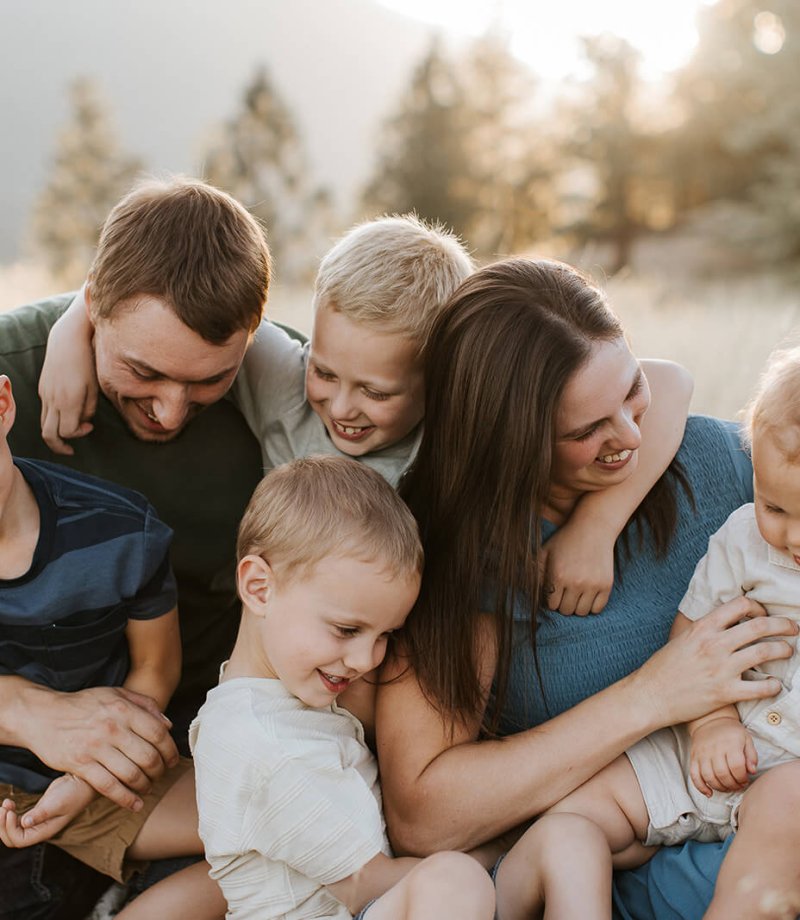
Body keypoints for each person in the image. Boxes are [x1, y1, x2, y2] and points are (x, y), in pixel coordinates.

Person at [374, 258, 800, 920]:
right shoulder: (454, 564)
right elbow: (423, 817)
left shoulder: (717, 467)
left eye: (631, 390)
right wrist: (656, 694)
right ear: (509, 442)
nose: (629, 436)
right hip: (620, 872)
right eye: (587, 431)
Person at [39, 214, 693, 617]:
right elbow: (160, 287)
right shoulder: (284, 377)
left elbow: (669, 381)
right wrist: (76, 329)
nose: (342, 406)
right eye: (326, 371)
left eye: (377, 392)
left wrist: (597, 529)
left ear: (440, 384)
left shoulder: (450, 433)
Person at [0, 176, 270, 918]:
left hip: (188, 761)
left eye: (208, 380)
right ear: (93, 308)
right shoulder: (12, 370)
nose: (170, 410)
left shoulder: (288, 400)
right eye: (142, 372)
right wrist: (22, 710)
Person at [495, 344, 800, 920]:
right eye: (775, 506)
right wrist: (711, 725)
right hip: (702, 749)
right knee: (574, 819)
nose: (790, 537)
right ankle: (491, 901)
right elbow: (694, 629)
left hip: (788, 779)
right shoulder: (742, 538)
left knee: (783, 823)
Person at [189, 456, 497, 920]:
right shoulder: (265, 745)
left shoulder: (281, 704)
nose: (367, 660)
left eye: (385, 635)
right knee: (456, 878)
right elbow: (365, 887)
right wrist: (494, 852)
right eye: (347, 629)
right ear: (258, 588)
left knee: (568, 841)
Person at [0, 372, 225, 919]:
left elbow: (155, 668)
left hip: (106, 769)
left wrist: (85, 779)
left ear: (3, 404)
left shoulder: (120, 533)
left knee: (272, 824)